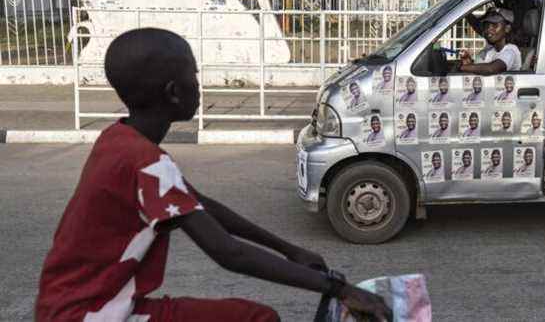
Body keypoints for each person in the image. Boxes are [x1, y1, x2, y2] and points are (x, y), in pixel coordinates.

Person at [35, 28, 392, 322]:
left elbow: (202, 206)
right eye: (194, 74)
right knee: (256, 320)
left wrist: (288, 249)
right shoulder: (144, 160)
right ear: (174, 93)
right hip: (90, 316)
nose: (199, 84)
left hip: (69, 309)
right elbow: (229, 254)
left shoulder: (119, 139)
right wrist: (337, 288)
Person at [456, 7, 522, 74]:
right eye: (487, 25)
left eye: (495, 25)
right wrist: (469, 63)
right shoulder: (491, 51)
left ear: (507, 28)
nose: (488, 29)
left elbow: (491, 69)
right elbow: (482, 68)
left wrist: (462, 67)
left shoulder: (511, 51)